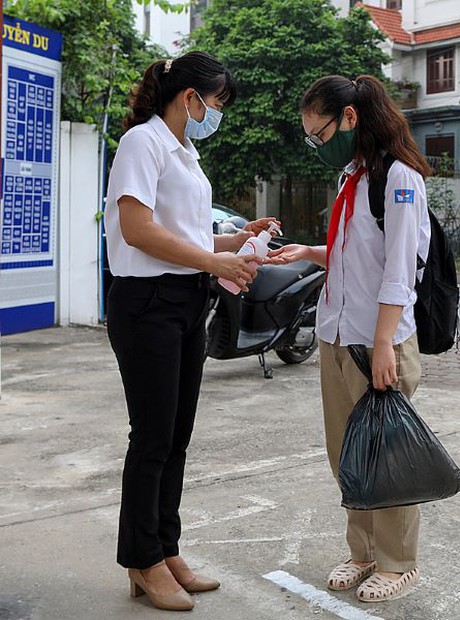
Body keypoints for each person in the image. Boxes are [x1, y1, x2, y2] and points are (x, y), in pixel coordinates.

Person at [105, 52, 278, 611]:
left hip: (183, 299)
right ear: (190, 98)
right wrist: (212, 263)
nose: (217, 113)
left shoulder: (186, 152)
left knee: (176, 437)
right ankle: (141, 559)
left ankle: (165, 548)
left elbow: (189, 235)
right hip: (147, 303)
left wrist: (234, 241)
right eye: (217, 103)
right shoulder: (143, 143)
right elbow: (137, 230)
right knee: (152, 436)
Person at [265, 74, 430, 602]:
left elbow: (399, 271)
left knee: (388, 455)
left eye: (320, 132)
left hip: (374, 341)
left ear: (351, 118)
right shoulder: (351, 176)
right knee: (347, 453)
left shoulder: (399, 179)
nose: (316, 144)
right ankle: (362, 552)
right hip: (336, 335)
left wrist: (383, 345)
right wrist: (311, 252)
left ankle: (398, 560)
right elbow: (357, 253)